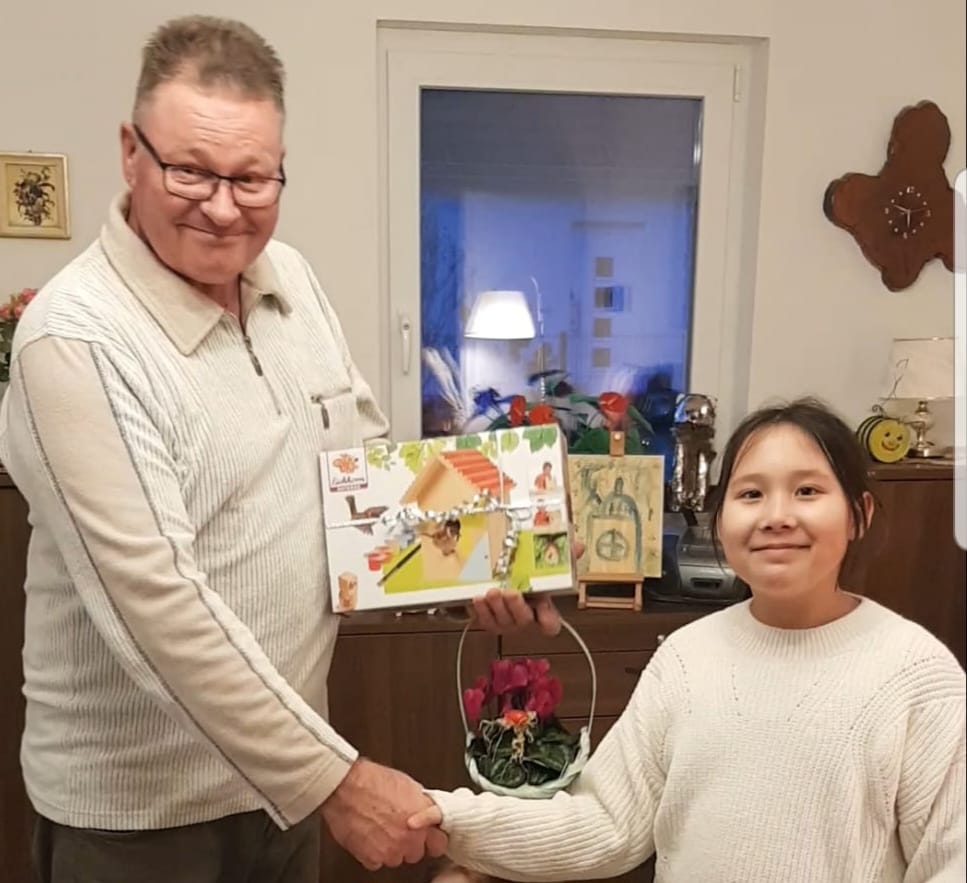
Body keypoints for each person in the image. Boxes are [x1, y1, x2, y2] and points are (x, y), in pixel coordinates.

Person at [0, 15, 560, 883]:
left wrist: (484, 562)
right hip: (142, 823)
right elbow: (158, 611)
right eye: (191, 170)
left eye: (252, 177)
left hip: (281, 795)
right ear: (131, 152)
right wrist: (335, 781)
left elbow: (364, 480)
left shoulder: (290, 278)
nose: (224, 206)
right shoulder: (74, 341)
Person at [409, 398, 967, 882]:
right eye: (751, 494)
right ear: (720, 520)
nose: (776, 516)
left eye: (807, 490)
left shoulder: (917, 674)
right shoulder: (684, 656)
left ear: (858, 516)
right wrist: (441, 814)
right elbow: (605, 822)